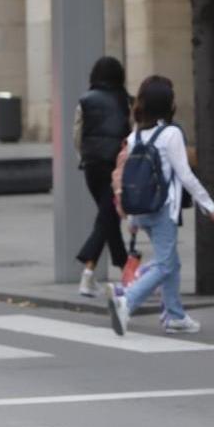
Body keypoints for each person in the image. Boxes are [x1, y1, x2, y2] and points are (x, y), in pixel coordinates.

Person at [106, 76, 214, 336]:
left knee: (170, 261)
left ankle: (175, 316)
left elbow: (128, 177)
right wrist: (209, 206)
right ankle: (126, 300)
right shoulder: (171, 134)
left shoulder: (134, 136)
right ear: (167, 104)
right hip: (162, 210)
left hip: (140, 210)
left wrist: (132, 219)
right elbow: (185, 175)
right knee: (166, 265)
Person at [73, 57, 132, 297]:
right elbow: (132, 136)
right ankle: (106, 273)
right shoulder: (126, 101)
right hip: (116, 167)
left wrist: (84, 156)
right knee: (107, 217)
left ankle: (113, 272)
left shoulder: (85, 101)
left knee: (107, 217)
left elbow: (77, 134)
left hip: (91, 167)